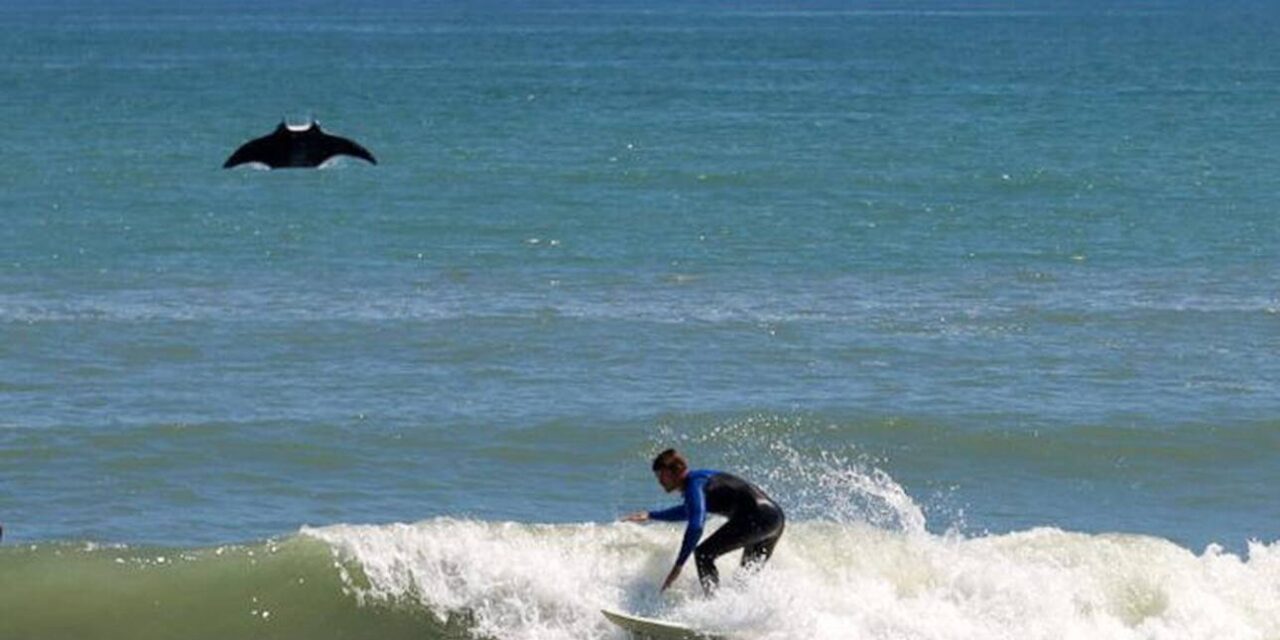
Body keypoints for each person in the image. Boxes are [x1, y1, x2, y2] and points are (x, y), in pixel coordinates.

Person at [622, 449, 785, 594]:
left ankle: (714, 607)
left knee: (703, 555)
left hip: (757, 517)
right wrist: (651, 515)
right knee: (743, 579)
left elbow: (696, 525)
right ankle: (744, 620)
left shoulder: (694, 484)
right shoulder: (700, 480)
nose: (660, 481)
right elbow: (690, 511)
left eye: (661, 475)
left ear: (676, 471)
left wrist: (678, 566)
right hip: (774, 520)